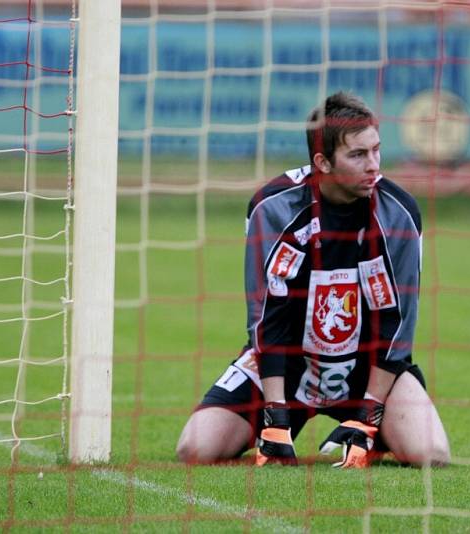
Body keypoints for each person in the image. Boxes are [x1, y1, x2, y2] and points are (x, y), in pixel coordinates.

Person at [176, 91, 450, 468]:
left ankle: (375, 431)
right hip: (288, 367)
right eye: (357, 155)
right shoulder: (273, 208)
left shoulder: (399, 213)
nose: (373, 165)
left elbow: (398, 324)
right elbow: (265, 318)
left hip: (365, 368)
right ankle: (283, 425)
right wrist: (274, 414)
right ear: (322, 161)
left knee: (431, 454)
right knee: (195, 449)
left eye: (376, 150)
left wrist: (370, 412)